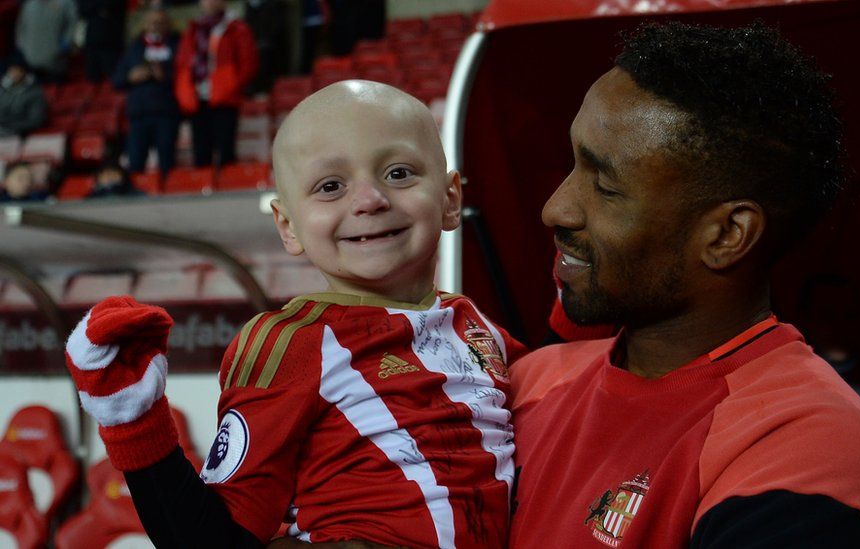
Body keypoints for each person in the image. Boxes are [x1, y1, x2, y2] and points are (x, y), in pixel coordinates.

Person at [507, 22, 860, 548]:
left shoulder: (817, 452)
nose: (554, 209)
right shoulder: (528, 383)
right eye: (574, 164)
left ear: (726, 235)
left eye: (605, 187)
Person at [64, 80, 523, 547]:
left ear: (450, 199)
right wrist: (135, 420)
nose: (369, 200)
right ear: (288, 226)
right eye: (330, 186)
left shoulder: (476, 324)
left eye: (399, 173)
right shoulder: (293, 344)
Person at [174, 0, 257, 167]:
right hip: (197, 99)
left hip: (224, 98)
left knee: (226, 151)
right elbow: (182, 63)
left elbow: (249, 63)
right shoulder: (193, 30)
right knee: (200, 152)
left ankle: (228, 190)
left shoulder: (237, 29)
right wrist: (185, 92)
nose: (210, 3)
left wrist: (230, 86)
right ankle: (202, 189)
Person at [112, 7, 180, 176]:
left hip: (167, 113)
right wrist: (131, 77)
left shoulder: (176, 45)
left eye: (159, 22)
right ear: (145, 24)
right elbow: (117, 80)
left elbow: (186, 75)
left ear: (167, 24)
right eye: (152, 22)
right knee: (135, 163)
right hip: (139, 115)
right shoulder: (134, 47)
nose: (155, 26)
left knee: (167, 163)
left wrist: (165, 75)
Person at [13, 0, 78, 82]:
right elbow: (21, 27)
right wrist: (22, 46)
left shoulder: (66, 3)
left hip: (55, 61)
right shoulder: (30, 5)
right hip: (30, 61)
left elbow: (72, 24)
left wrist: (66, 41)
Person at [78, 0, 126, 83]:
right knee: (92, 78)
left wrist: (95, 8)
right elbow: (83, 8)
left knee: (115, 78)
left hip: (112, 41)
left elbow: (114, 3)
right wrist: (101, 7)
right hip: (92, 40)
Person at [0, 51, 46, 137]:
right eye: (11, 70)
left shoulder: (35, 92)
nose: (14, 74)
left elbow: (36, 120)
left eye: (17, 70)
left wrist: (11, 125)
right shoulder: (2, 90)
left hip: (19, 132)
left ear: (24, 72)